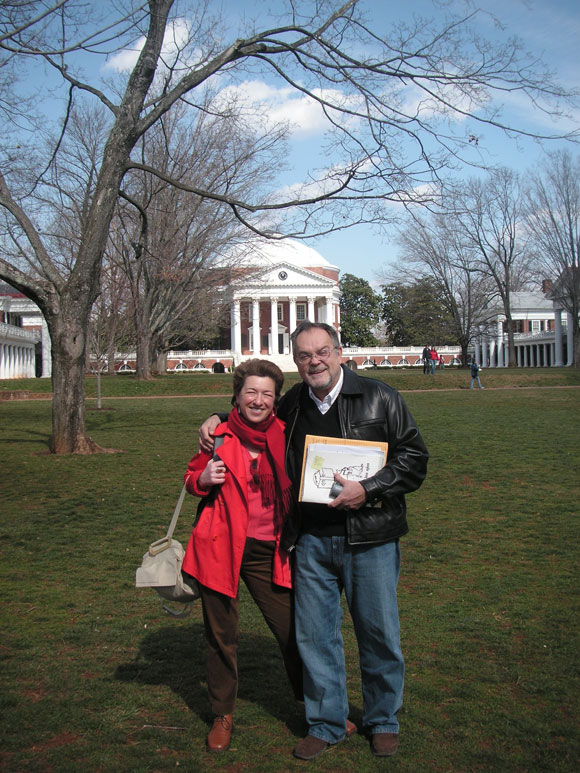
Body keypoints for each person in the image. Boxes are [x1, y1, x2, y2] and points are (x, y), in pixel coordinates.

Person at [199, 322, 428, 760]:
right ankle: (325, 722)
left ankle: (382, 719)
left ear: (339, 352)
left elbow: (415, 459)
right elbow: (251, 416)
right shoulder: (292, 404)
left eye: (322, 351)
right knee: (316, 637)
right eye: (304, 356)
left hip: (370, 538)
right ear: (297, 361)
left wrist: (371, 488)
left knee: (378, 634)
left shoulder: (380, 396)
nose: (314, 361)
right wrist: (213, 418)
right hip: (310, 541)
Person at [183, 359, 303, 753]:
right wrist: (201, 480)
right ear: (236, 395)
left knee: (292, 632)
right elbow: (191, 477)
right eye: (251, 392)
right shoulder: (217, 434)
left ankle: (318, 706)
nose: (258, 400)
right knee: (222, 637)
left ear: (276, 399)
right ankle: (223, 713)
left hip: (271, 549)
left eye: (267, 394)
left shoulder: (286, 434)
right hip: (220, 545)